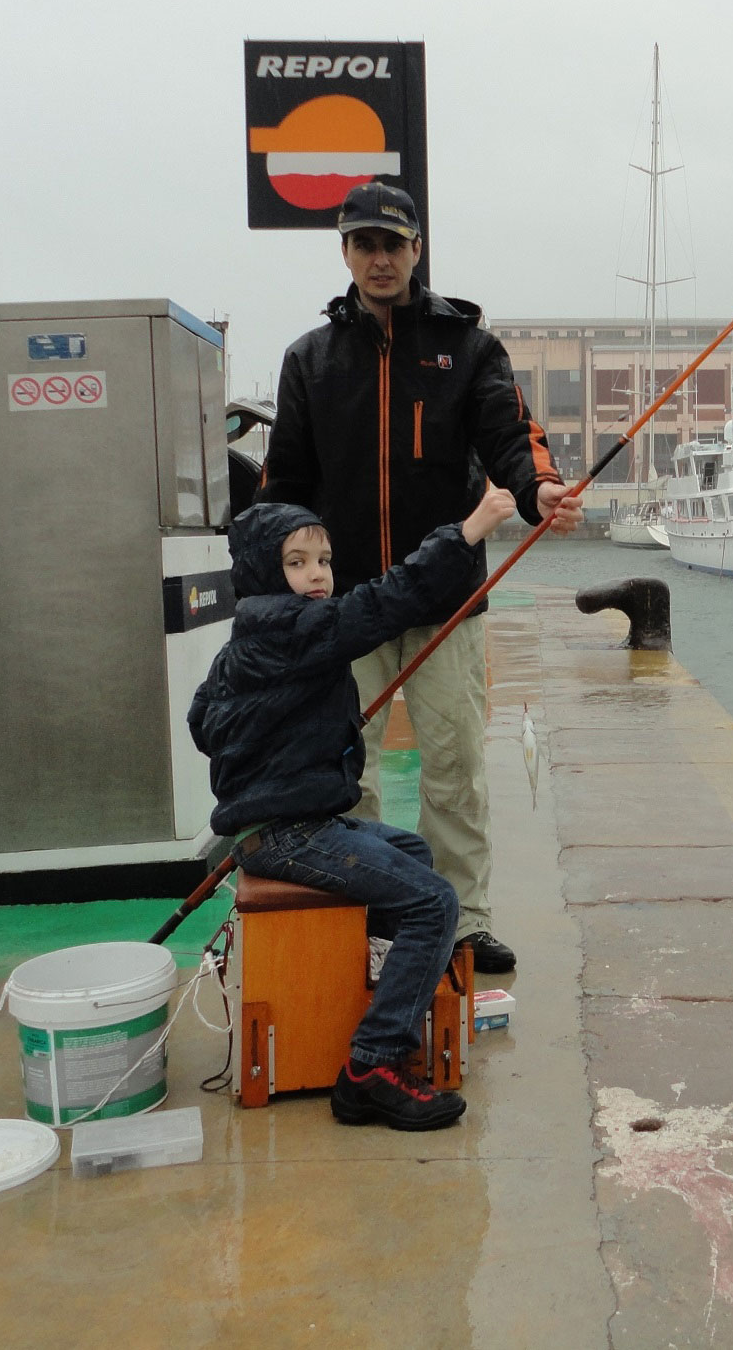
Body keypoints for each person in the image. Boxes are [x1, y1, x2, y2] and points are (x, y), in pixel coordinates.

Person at [258, 181, 581, 975]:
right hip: (347, 606)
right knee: (343, 770)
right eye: (363, 244)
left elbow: (512, 435)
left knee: (456, 765)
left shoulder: (468, 348)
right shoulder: (308, 359)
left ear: (416, 250)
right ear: (345, 252)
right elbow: (285, 484)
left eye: (392, 244)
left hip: (445, 600)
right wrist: (277, 581)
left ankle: (464, 917)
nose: (379, 258)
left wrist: (541, 489)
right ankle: (366, 913)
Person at [187, 488, 519, 1130]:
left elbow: (204, 721)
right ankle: (373, 1065)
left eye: (323, 561)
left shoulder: (248, 639)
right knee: (435, 902)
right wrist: (470, 529)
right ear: (263, 573)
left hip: (285, 819)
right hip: (287, 832)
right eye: (296, 562)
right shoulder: (297, 629)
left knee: (411, 852)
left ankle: (381, 991)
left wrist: (286, 727)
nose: (316, 574)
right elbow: (389, 599)